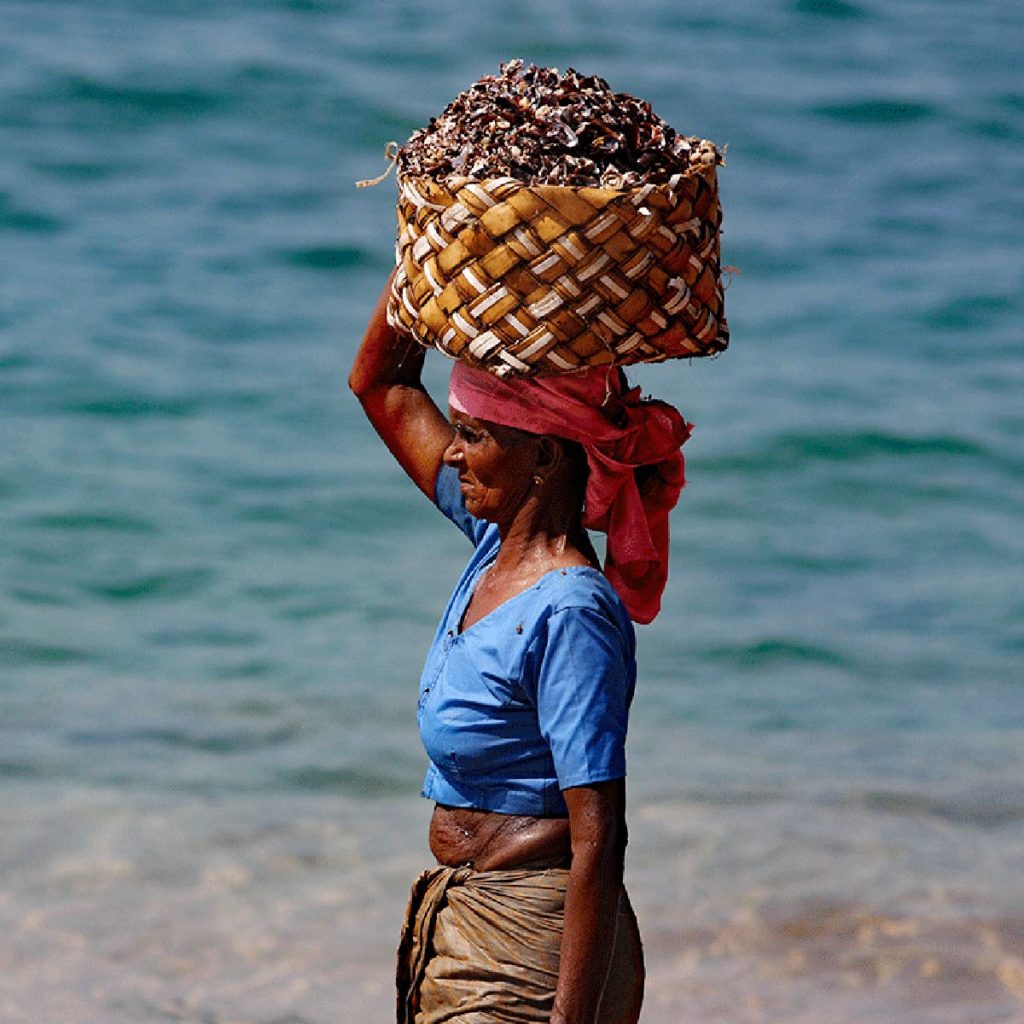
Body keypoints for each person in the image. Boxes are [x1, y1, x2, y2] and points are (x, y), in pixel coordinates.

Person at [348, 273, 691, 1024]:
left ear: (544, 459)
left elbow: (601, 841)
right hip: (464, 923)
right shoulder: (495, 548)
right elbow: (382, 385)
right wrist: (431, 256)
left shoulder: (571, 611)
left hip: (529, 947)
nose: (456, 455)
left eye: (474, 435)